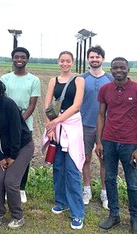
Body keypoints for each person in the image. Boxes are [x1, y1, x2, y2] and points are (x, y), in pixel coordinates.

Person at [42, 51, 85, 230]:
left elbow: (76, 105)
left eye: (68, 61)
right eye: (62, 61)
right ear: (58, 62)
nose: (65, 63)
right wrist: (49, 127)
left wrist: (56, 122)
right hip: (56, 126)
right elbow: (47, 104)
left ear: (72, 62)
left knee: (73, 169)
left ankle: (77, 212)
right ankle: (61, 201)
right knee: (58, 166)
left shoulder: (79, 80)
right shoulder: (53, 80)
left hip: (72, 126)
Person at [0, 79, 34, 230]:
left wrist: (12, 156)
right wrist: (0, 156)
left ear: (0, 90)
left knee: (11, 182)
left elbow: (16, 132)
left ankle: (18, 217)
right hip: (4, 150)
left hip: (22, 146)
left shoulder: (8, 104)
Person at [95, 57, 137, 233]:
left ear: (128, 69)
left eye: (122, 67)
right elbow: (101, 115)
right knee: (110, 178)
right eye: (115, 68)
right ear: (110, 70)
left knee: (133, 182)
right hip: (109, 141)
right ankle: (114, 215)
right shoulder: (105, 89)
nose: (119, 70)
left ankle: (134, 217)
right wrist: (99, 141)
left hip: (130, 143)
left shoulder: (136, 88)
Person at [0, 47, 41, 203]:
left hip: (25, 124)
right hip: (7, 124)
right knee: (8, 154)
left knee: (23, 158)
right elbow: (2, 101)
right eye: (16, 57)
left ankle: (21, 188)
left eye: (23, 57)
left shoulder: (34, 80)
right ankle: (7, 187)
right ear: (13, 59)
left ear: (27, 59)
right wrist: (11, 122)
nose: (19, 59)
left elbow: (32, 105)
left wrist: (19, 121)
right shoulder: (5, 78)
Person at [80, 45, 112, 209]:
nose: (94, 59)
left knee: (104, 160)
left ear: (103, 59)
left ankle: (105, 192)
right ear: (88, 59)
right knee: (85, 159)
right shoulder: (81, 79)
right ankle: (86, 190)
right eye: (91, 57)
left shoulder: (111, 79)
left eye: (97, 57)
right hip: (84, 125)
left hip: (106, 127)